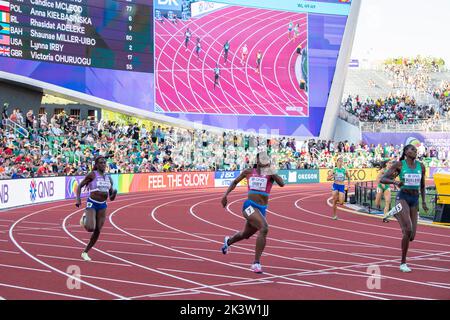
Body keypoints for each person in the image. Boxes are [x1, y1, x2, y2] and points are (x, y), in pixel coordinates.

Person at [221, 152, 285, 274]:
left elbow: (282, 184)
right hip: (249, 206)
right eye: (262, 158)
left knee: (245, 234)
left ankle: (228, 241)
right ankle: (256, 263)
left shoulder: (270, 174)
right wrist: (225, 195)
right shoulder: (249, 172)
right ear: (257, 160)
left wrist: (271, 171)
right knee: (264, 228)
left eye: (267, 158)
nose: (265, 160)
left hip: (261, 209)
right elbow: (235, 182)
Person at [380, 144, 428, 273]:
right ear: (405, 152)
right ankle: (403, 262)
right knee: (407, 229)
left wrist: (423, 201)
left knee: (411, 236)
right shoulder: (399, 165)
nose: (414, 151)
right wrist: (395, 182)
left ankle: (396, 213)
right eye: (411, 149)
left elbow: (422, 186)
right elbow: (383, 179)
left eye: (415, 149)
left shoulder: (421, 166)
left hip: (415, 200)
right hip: (403, 197)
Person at [76, 156, 117, 261]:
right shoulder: (92, 175)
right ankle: (85, 218)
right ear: (97, 164)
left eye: (104, 162)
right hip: (92, 203)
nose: (103, 164)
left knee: (98, 230)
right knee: (90, 228)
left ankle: (85, 252)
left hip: (102, 205)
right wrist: (78, 199)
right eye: (101, 163)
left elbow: (111, 198)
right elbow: (80, 186)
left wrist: (114, 194)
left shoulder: (109, 178)